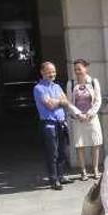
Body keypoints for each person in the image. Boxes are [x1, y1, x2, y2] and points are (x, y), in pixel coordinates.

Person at [33, 61, 71, 190]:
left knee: (62, 151)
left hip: (61, 123)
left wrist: (58, 101)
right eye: (49, 72)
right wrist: (60, 101)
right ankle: (54, 179)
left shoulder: (57, 87)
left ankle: (61, 176)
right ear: (42, 72)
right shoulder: (39, 88)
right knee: (52, 153)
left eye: (53, 72)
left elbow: (66, 102)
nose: (52, 74)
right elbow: (49, 105)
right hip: (49, 124)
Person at [66, 58, 103, 180]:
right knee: (80, 145)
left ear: (85, 68)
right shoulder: (71, 84)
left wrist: (90, 113)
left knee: (95, 143)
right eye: (75, 69)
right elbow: (69, 102)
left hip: (91, 118)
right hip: (78, 119)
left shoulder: (93, 82)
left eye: (79, 69)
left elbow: (98, 100)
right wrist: (78, 114)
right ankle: (83, 171)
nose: (77, 71)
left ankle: (95, 169)